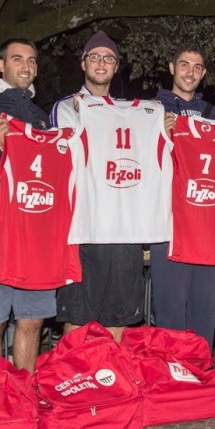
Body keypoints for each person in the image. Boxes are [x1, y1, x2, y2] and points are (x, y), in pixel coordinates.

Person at [50, 31, 146, 341]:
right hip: (83, 226)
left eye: (108, 58)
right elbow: (67, 157)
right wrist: (88, 118)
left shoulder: (129, 112)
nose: (101, 63)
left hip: (123, 225)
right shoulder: (66, 107)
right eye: (94, 57)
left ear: (116, 67)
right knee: (79, 316)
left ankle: (112, 370)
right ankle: (76, 370)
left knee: (120, 315)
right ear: (83, 64)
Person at [0, 38, 53, 374]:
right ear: (1, 64)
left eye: (32, 61)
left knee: (32, 319)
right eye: (17, 59)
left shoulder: (41, 116)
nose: (26, 66)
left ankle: (25, 392)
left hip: (36, 226)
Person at [149, 47, 215, 347]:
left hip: (204, 219)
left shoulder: (213, 114)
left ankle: (201, 363)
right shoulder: (152, 109)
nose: (190, 72)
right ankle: (171, 365)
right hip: (166, 220)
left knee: (203, 302)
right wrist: (157, 133)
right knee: (170, 303)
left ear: (203, 73)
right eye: (184, 65)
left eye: (197, 67)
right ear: (171, 67)